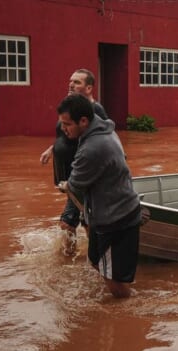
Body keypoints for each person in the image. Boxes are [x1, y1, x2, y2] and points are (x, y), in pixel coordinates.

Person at [56, 94, 141, 298]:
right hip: (108, 212)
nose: (63, 129)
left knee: (114, 281)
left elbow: (75, 185)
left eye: (67, 124)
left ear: (83, 121)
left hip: (115, 220)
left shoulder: (92, 148)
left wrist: (67, 185)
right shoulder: (104, 128)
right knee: (96, 261)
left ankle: (126, 313)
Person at [40, 69, 109, 256]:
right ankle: (96, 253)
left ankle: (68, 260)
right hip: (70, 174)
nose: (71, 84)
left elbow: (102, 140)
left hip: (82, 175)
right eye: (70, 80)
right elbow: (65, 133)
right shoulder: (70, 107)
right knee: (85, 215)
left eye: (77, 82)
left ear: (89, 88)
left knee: (67, 222)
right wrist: (52, 149)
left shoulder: (95, 110)